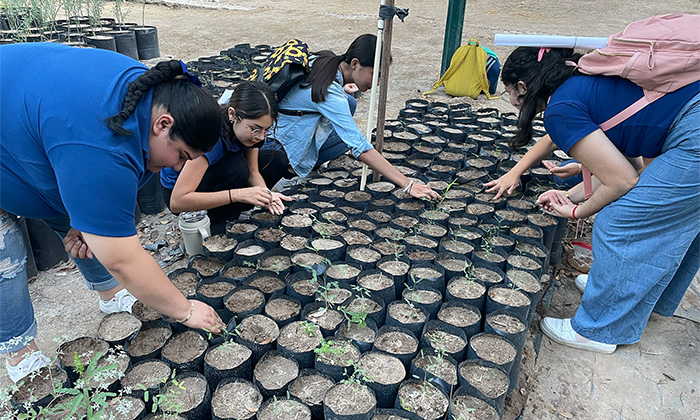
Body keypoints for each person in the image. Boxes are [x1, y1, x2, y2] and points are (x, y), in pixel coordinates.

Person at [0, 43, 225, 382]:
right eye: (181, 155)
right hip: (14, 124)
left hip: (32, 118)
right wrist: (186, 309)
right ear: (163, 124)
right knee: (4, 251)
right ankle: (19, 353)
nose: (179, 167)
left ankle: (109, 294)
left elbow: (100, 203)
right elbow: (123, 257)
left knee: (92, 220)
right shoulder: (100, 143)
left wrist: (84, 222)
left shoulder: (144, 94)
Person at [500, 46, 700, 354]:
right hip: (691, 120)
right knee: (682, 218)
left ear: (522, 87)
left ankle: (597, 330)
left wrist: (577, 211)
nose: (511, 99)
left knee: (618, 223)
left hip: (694, 134)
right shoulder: (584, 77)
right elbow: (631, 162)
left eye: (509, 91)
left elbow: (623, 181)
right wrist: (581, 175)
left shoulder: (559, 110)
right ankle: (635, 295)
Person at [265, 34, 440, 201]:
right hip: (276, 145)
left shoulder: (324, 60)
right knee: (349, 131)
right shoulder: (329, 92)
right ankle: (289, 174)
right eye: (375, 74)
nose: (377, 82)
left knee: (350, 103)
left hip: (279, 127)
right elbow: (360, 147)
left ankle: (306, 165)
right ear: (355, 64)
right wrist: (408, 184)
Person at [161, 81, 291, 235]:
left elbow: (253, 172)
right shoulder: (210, 138)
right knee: (236, 167)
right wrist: (239, 195)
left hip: (217, 174)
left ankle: (235, 211)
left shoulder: (250, 135)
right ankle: (216, 225)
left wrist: (266, 195)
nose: (261, 136)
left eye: (266, 130)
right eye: (255, 129)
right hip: (180, 191)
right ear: (232, 114)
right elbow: (177, 202)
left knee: (276, 160)